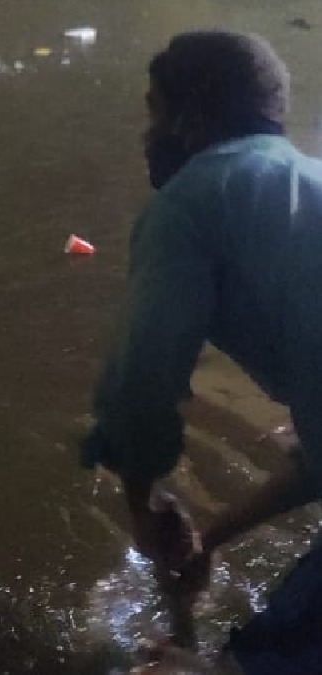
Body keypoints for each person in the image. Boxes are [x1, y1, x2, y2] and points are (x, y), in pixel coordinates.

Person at [81, 31, 322, 674]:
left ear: (190, 118)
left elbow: (140, 386)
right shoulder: (307, 184)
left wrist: (143, 509)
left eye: (153, 111)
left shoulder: (190, 203)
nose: (146, 134)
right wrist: (204, 540)